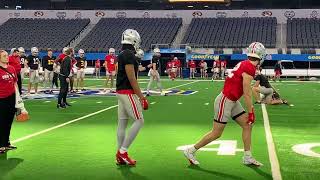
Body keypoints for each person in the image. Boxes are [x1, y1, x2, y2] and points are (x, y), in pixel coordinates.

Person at [183, 42, 266, 166]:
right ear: (261, 55)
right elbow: (247, 92)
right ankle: (190, 151)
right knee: (217, 133)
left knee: (247, 125)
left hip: (231, 100)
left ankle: (247, 157)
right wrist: (251, 111)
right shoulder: (250, 67)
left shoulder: (245, 63)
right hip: (225, 100)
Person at [115, 29, 148, 166]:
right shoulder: (129, 54)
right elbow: (132, 77)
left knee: (122, 123)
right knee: (139, 120)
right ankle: (123, 152)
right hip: (127, 92)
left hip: (120, 91)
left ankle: (120, 153)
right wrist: (141, 97)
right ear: (134, 40)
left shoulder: (122, 53)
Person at [0, 50, 18, 154]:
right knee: (1, 122)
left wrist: (18, 99)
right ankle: (1, 145)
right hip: (1, 99)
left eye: (7, 55)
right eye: (4, 56)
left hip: (11, 97)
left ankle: (6, 142)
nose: (7, 57)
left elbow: (15, 83)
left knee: (8, 121)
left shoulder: (11, 68)